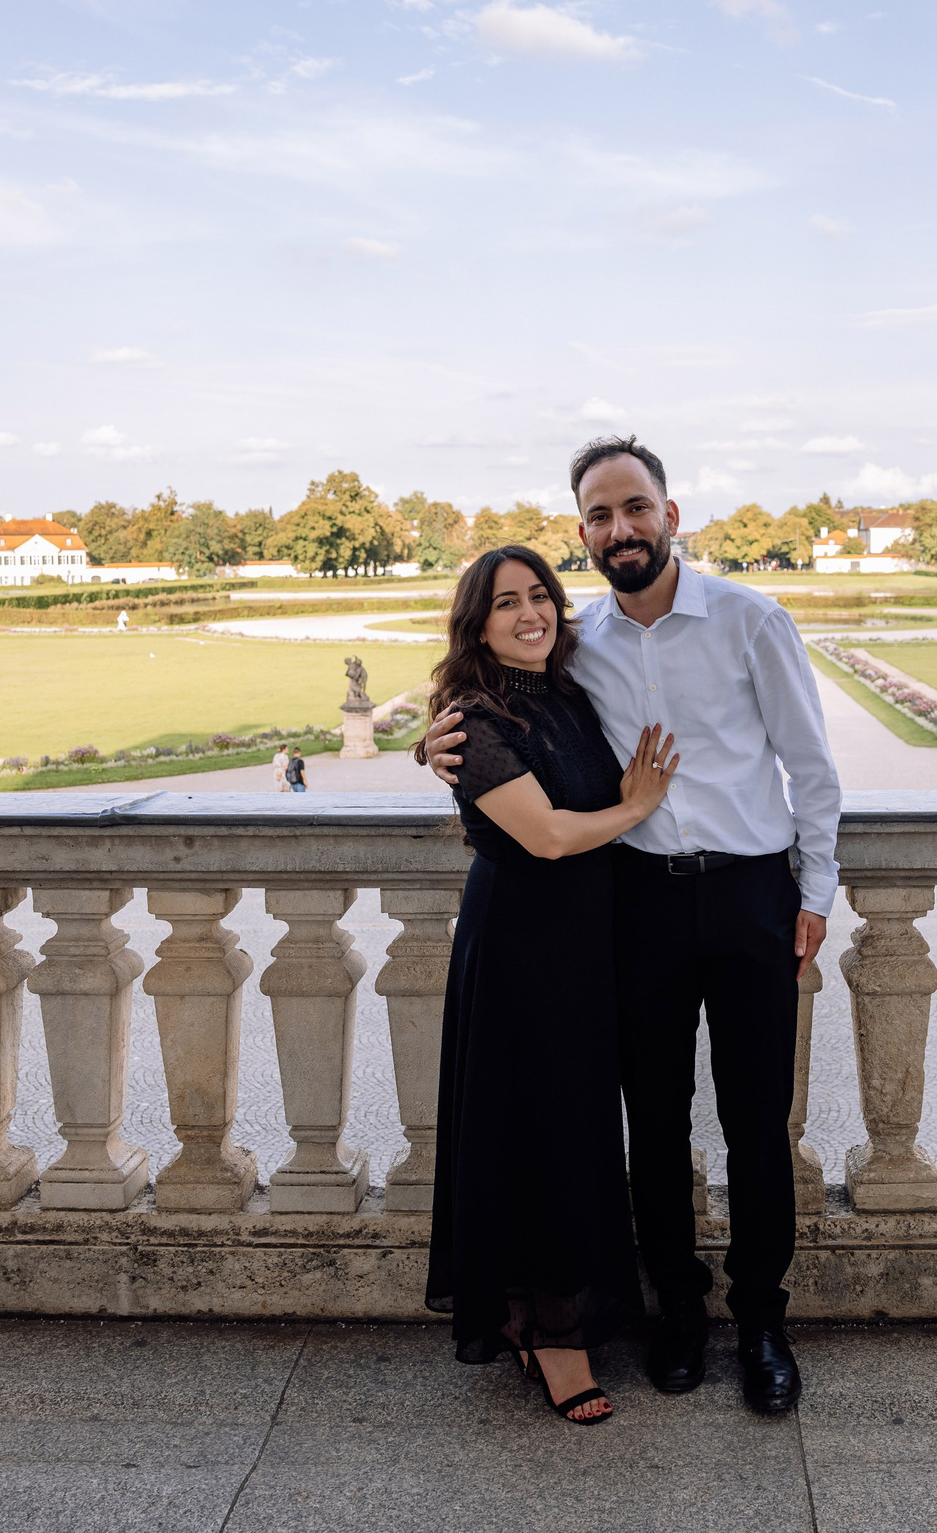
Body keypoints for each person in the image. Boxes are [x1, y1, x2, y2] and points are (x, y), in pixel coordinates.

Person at [422, 436, 841, 1415]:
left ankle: (763, 1322)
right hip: (639, 902)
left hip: (748, 897)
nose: (621, 529)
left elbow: (811, 767)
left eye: (635, 508)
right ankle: (680, 1317)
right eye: (601, 516)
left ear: (670, 514)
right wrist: (434, 738)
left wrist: (814, 893)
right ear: (584, 535)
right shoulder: (582, 645)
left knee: (754, 1125)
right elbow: (493, 701)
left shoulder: (750, 618)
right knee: (650, 1127)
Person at [423, 543, 677, 1427]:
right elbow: (548, 838)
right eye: (506, 604)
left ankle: (563, 1309)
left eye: (540, 596)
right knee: (531, 1134)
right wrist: (637, 808)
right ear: (477, 624)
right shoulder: (477, 723)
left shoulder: (562, 691)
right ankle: (548, 1333)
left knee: (572, 1131)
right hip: (525, 951)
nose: (531, 614)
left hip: (583, 947)